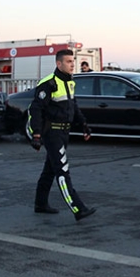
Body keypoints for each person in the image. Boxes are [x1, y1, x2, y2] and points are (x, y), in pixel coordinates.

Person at [28, 49, 96, 221]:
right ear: (59, 64)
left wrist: (84, 124)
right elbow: (36, 109)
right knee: (62, 171)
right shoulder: (49, 83)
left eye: (73, 61)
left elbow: (73, 105)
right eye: (68, 61)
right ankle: (78, 208)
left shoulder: (70, 82)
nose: (72, 64)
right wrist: (36, 134)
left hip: (64, 132)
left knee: (49, 170)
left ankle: (40, 204)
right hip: (52, 133)